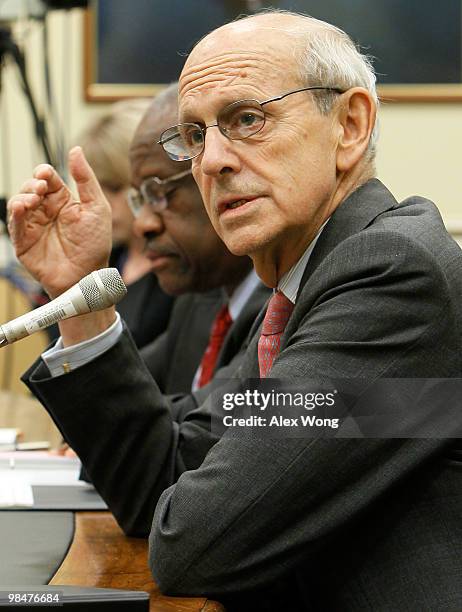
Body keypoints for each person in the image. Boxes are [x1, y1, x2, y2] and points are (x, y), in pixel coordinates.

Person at [8, 10, 462, 611]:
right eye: (195, 136)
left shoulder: (389, 277)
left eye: (247, 119)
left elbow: (196, 542)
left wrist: (193, 501)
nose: (212, 161)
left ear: (350, 125)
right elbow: (164, 475)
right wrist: (83, 294)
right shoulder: (300, 284)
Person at [128, 84, 269, 393]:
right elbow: (118, 403)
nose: (143, 225)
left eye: (160, 191)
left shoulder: (290, 303)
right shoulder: (199, 299)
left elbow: (200, 430)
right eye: (140, 199)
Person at [77, 99, 174, 349]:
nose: (102, 203)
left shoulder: (180, 271)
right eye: (96, 188)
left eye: (114, 187)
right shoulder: (107, 259)